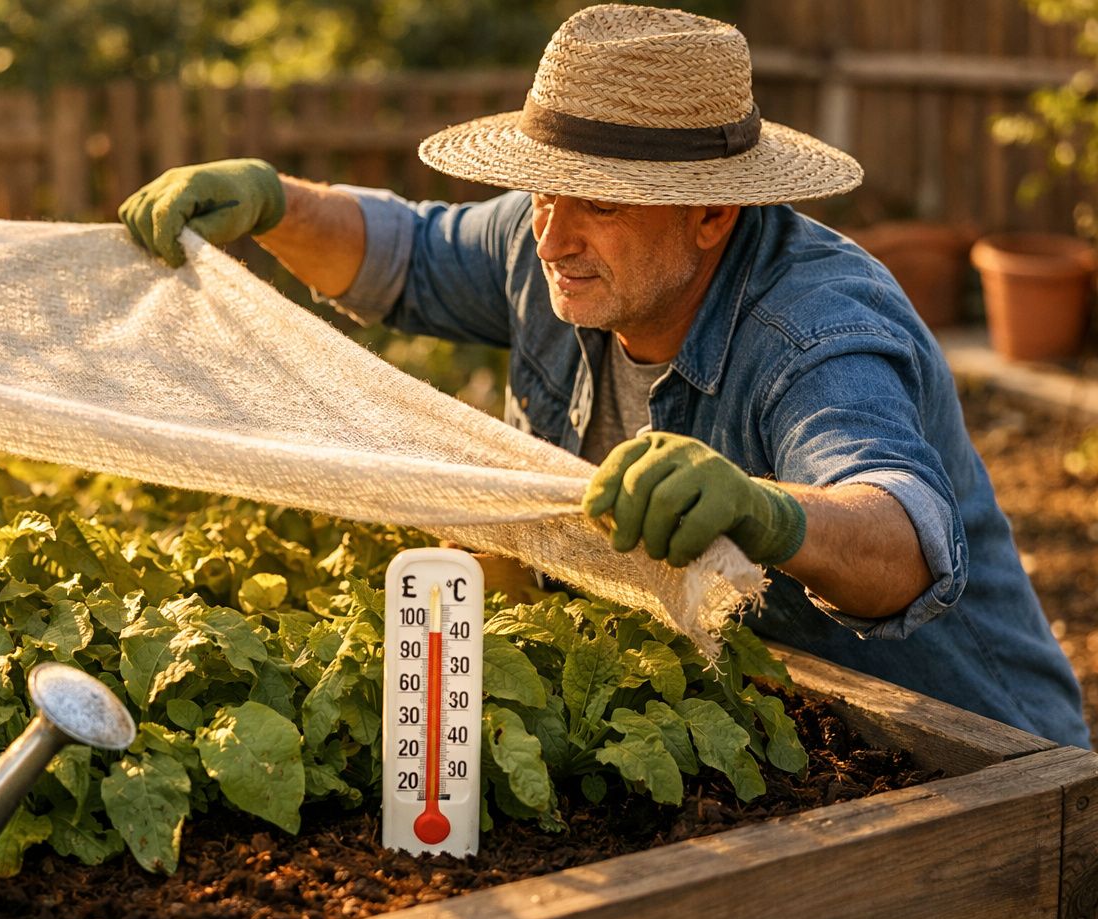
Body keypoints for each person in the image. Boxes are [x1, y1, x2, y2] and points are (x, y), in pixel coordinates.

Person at [118, 3, 1090, 748]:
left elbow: (904, 542)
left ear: (710, 213)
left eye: (600, 205)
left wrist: (766, 514)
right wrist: (273, 200)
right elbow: (406, 252)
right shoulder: (552, 246)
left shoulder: (816, 330)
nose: (552, 230)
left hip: (966, 756)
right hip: (753, 721)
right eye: (542, 189)